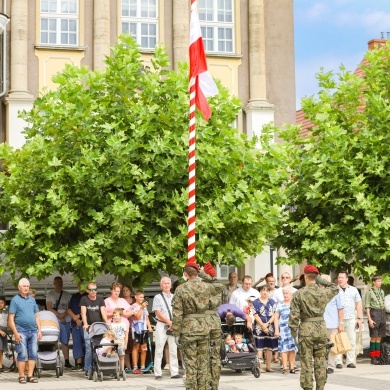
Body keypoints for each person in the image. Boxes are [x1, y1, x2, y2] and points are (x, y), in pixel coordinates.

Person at [289, 265, 339, 390]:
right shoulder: (323, 292)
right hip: (321, 329)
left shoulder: (298, 294)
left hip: (305, 329)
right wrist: (321, 280)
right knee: (321, 362)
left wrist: (293, 333)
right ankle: (320, 388)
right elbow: (335, 287)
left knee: (306, 363)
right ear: (316, 278)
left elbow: (294, 316)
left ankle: (308, 388)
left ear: (305, 277)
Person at [171, 261, 218, 390]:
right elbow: (218, 288)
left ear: (185, 274)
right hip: (204, 328)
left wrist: (176, 332)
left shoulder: (181, 289)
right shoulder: (206, 287)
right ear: (197, 273)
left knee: (191, 364)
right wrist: (206, 276)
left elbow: (177, 313)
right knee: (203, 363)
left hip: (188, 331)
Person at [8, 278, 42, 384]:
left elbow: (37, 316)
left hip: (33, 331)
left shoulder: (32, 300)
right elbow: (10, 319)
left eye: (27, 286)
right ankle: (21, 376)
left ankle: (30, 376)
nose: (26, 288)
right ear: (19, 287)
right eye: (24, 286)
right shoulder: (15, 300)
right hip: (20, 331)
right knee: (22, 354)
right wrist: (15, 332)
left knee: (33, 354)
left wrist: (39, 330)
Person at [152, 276, 181, 380]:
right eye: (164, 283)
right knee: (159, 349)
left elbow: (178, 311)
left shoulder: (175, 296)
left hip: (173, 326)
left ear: (171, 285)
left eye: (168, 283)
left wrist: (174, 323)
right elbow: (158, 312)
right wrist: (169, 322)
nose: (167, 285)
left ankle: (174, 372)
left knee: (173, 349)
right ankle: (158, 373)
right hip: (161, 325)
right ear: (161, 285)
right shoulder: (157, 297)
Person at [335, 271, 364, 369]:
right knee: (339, 340)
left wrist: (360, 318)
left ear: (347, 279)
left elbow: (358, 303)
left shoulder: (353, 290)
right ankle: (338, 361)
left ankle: (350, 361)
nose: (340, 279)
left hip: (351, 318)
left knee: (351, 340)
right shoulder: (334, 290)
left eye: (342, 277)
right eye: (339, 277)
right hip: (338, 319)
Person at [80, 281, 108, 377]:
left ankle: (99, 366)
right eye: (91, 290)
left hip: (99, 327)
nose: (93, 292)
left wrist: (107, 322)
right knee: (89, 348)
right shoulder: (84, 299)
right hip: (89, 326)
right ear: (88, 290)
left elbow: (103, 312)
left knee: (100, 347)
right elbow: (83, 313)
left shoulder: (100, 299)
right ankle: (87, 368)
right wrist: (85, 324)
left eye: (95, 290)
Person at [46, 276, 73, 369]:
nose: (59, 284)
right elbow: (49, 307)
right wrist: (59, 315)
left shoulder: (67, 294)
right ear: (54, 283)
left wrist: (63, 315)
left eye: (60, 282)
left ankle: (66, 361)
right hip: (55, 320)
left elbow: (69, 307)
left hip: (66, 320)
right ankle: (53, 360)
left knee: (65, 341)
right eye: (57, 282)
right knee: (54, 340)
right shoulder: (50, 294)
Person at [252, 285, 278, 373]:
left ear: (269, 292)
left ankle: (268, 366)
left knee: (269, 347)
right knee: (260, 347)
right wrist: (263, 325)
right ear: (260, 292)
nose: (265, 292)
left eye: (267, 290)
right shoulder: (255, 302)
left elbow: (274, 314)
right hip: (259, 327)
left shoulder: (272, 302)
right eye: (263, 290)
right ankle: (260, 367)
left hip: (270, 326)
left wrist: (268, 324)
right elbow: (255, 315)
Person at [323, 275, 344, 374]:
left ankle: (330, 365)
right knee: (321, 346)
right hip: (321, 324)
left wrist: (341, 323)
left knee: (332, 345)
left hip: (333, 323)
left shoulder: (336, 292)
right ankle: (322, 364)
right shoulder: (318, 293)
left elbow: (340, 309)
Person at [274, 287, 298, 374]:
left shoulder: (295, 304)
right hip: (283, 329)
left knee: (292, 348)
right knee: (284, 349)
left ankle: (292, 367)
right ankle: (284, 367)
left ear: (291, 295)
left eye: (287, 293)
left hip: (293, 329)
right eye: (284, 293)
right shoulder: (280, 304)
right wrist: (277, 330)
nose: (285, 295)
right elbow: (276, 318)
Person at [364, 274, 386, 365]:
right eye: (378, 281)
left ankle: (378, 356)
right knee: (374, 336)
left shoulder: (382, 291)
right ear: (373, 282)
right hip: (374, 313)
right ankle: (373, 357)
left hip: (381, 313)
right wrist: (369, 319)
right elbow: (367, 306)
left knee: (379, 337)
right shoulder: (369, 292)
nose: (380, 283)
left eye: (380, 281)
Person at [130, 290, 153, 374]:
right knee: (136, 347)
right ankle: (135, 367)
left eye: (143, 297)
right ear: (135, 297)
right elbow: (137, 316)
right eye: (140, 297)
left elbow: (146, 318)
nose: (142, 299)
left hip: (144, 329)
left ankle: (143, 366)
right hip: (136, 329)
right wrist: (141, 307)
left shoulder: (144, 307)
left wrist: (149, 327)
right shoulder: (133, 306)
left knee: (144, 347)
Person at [67, 282, 87, 371]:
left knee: (87, 343)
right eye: (79, 285)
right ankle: (78, 364)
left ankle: (87, 363)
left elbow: (87, 309)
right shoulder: (74, 296)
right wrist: (75, 318)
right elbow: (69, 309)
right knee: (77, 343)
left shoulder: (87, 296)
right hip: (75, 323)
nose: (80, 287)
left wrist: (79, 317)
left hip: (84, 323)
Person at [121, 284, 134, 371]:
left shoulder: (133, 300)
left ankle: (132, 365)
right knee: (124, 346)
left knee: (131, 346)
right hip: (124, 324)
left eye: (127, 290)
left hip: (133, 324)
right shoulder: (121, 301)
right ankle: (126, 365)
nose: (125, 292)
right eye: (124, 291)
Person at [0, 296, 8, 372]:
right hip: (0, 332)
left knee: (1, 349)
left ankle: (1, 365)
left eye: (2, 303)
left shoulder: (6, 312)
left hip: (4, 332)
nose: (0, 304)